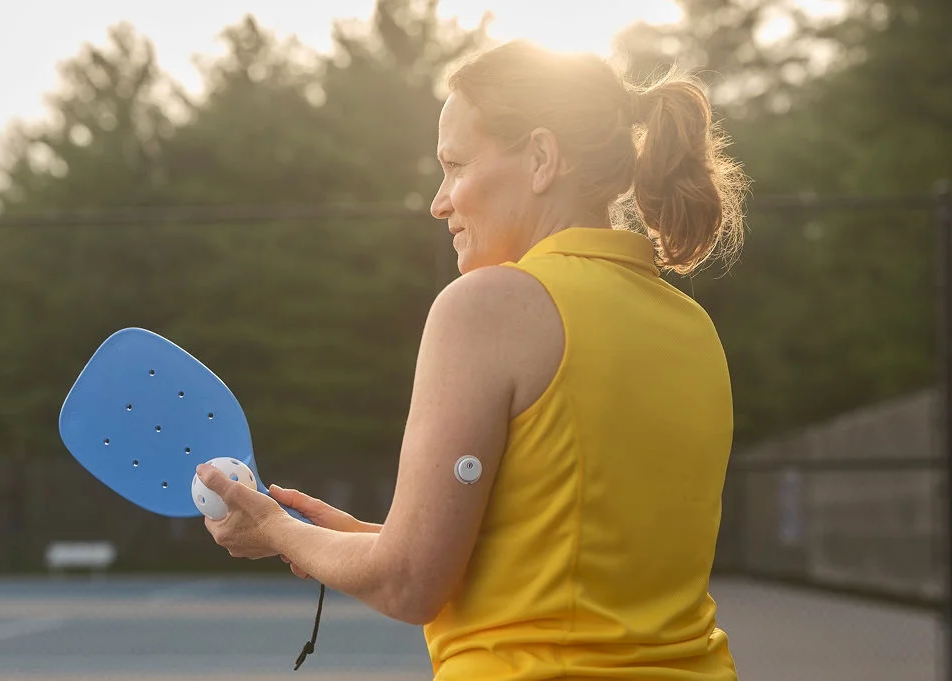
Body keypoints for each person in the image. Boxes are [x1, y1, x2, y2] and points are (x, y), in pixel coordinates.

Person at [196, 39, 748, 680]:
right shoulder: (693, 327)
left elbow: (409, 584)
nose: (439, 200)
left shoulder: (489, 305)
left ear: (541, 158)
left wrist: (275, 529)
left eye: (455, 165)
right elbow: (562, 558)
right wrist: (359, 539)